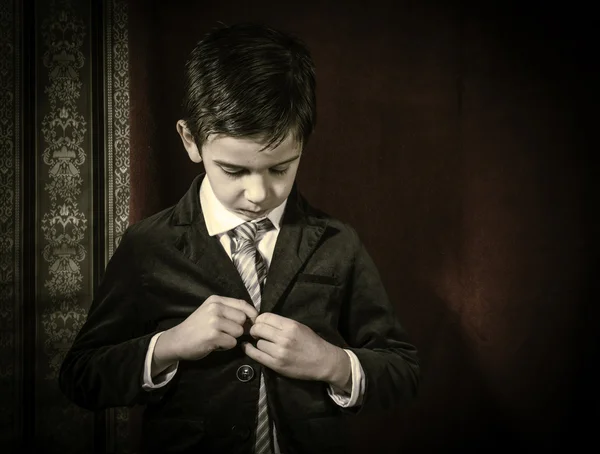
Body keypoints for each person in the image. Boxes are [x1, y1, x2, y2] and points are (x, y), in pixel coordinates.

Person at [59, 22, 420, 454]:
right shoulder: (147, 246)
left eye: (280, 168)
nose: (258, 194)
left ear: (302, 144)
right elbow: (81, 377)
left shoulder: (338, 242)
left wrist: (332, 362)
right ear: (191, 141)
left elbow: (403, 371)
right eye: (234, 170)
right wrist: (171, 345)